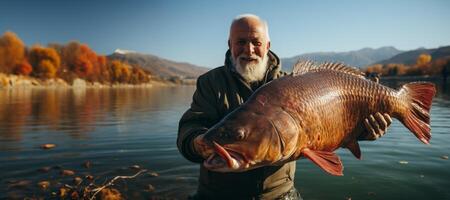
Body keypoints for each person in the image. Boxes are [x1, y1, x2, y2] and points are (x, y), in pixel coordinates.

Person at [177, 14, 392, 200]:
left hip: (278, 193)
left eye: (256, 42)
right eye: (240, 42)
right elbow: (190, 127)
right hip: (219, 194)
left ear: (267, 46)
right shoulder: (211, 83)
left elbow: (336, 126)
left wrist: (364, 132)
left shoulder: (291, 84)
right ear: (230, 44)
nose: (249, 50)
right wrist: (197, 143)